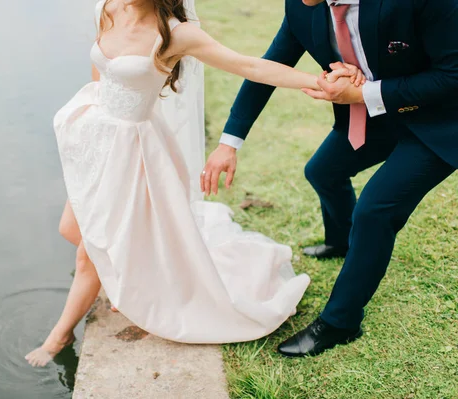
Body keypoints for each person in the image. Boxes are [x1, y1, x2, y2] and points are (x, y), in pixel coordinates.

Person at [25, 0, 360, 367]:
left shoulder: (175, 34)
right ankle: (130, 273)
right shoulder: (108, 7)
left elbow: (247, 65)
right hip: (94, 139)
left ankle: (57, 339)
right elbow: (101, 67)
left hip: (133, 151)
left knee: (87, 252)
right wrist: (95, 118)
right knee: (70, 228)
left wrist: (318, 82)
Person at [204, 0, 458, 357]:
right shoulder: (301, 8)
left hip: (439, 121)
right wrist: (229, 143)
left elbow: (453, 73)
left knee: (374, 211)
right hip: (375, 119)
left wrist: (365, 93)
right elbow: (269, 67)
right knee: (323, 171)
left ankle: (341, 321)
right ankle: (343, 243)